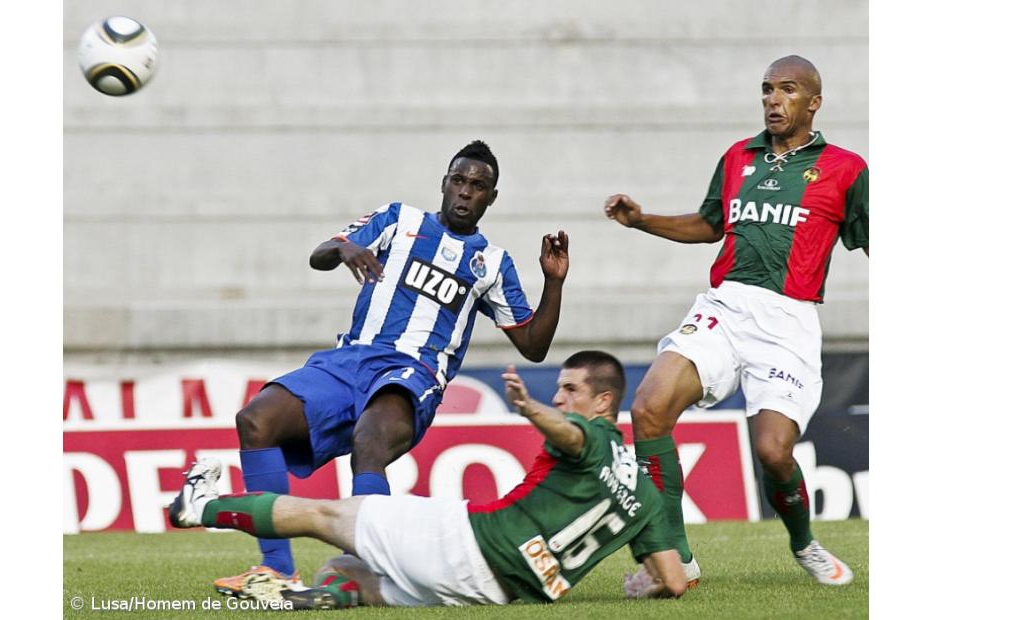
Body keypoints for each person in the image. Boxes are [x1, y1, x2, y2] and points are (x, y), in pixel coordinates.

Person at [215, 140, 570, 595]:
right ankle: (276, 572)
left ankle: (363, 574)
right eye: (459, 181)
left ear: (491, 197)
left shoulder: (493, 264)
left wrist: (554, 282)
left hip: (414, 373)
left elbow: (533, 345)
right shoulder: (399, 220)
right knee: (255, 420)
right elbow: (320, 254)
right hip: (348, 360)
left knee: (370, 441)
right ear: (444, 183)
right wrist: (343, 249)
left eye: (478, 186)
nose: (465, 192)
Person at [603, 55, 867, 586]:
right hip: (724, 306)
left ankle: (802, 542)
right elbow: (709, 224)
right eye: (767, 89)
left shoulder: (846, 169)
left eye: (787, 90)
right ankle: (676, 561)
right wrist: (642, 220)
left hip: (788, 321)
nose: (773, 99)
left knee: (774, 453)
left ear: (813, 102)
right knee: (650, 407)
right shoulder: (737, 157)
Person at [169, 351, 687, 608]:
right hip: (500, 593)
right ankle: (314, 598)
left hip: (471, 542)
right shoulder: (643, 492)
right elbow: (673, 578)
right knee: (350, 572)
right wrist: (641, 586)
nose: (560, 399)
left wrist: (529, 408)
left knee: (325, 514)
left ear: (603, 403)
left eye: (569, 389)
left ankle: (202, 507)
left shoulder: (588, 433)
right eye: (556, 390)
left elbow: (574, 436)